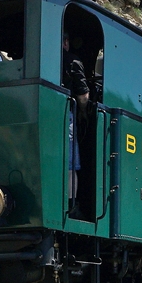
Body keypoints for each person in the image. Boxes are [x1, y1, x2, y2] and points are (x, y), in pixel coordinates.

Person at [62, 32, 90, 215]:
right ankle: (71, 205)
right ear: (66, 42)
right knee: (72, 166)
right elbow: (83, 95)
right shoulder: (72, 61)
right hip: (65, 114)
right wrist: (83, 113)